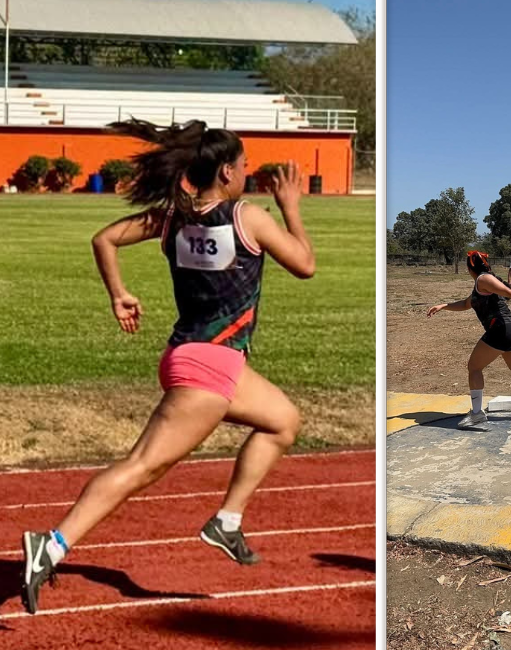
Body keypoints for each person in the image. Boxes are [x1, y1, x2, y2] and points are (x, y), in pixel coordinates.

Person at [22, 119, 316, 614]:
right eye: (244, 165)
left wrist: (119, 294)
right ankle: (50, 545)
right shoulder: (248, 217)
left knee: (283, 421)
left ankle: (227, 521)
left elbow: (104, 239)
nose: (247, 172)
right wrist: (289, 208)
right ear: (226, 172)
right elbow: (305, 264)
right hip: (210, 368)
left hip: (193, 357)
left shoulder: (170, 218)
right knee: (143, 466)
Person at [428, 250, 511, 430]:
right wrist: (443, 306)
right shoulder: (481, 284)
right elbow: (466, 304)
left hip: (500, 330)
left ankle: (476, 414)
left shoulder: (483, 279)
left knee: (474, 367)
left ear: (470, 268)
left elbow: (507, 291)